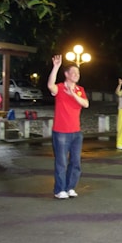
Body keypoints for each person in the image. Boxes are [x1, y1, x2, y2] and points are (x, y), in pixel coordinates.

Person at [47, 55, 89, 199]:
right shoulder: (59, 88)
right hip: (61, 132)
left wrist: (73, 94)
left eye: (78, 73)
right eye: (73, 72)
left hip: (76, 132)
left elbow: (85, 104)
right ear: (66, 74)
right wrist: (56, 67)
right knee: (62, 162)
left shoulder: (80, 89)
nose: (76, 75)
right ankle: (60, 190)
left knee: (75, 162)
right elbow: (50, 85)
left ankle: (70, 187)